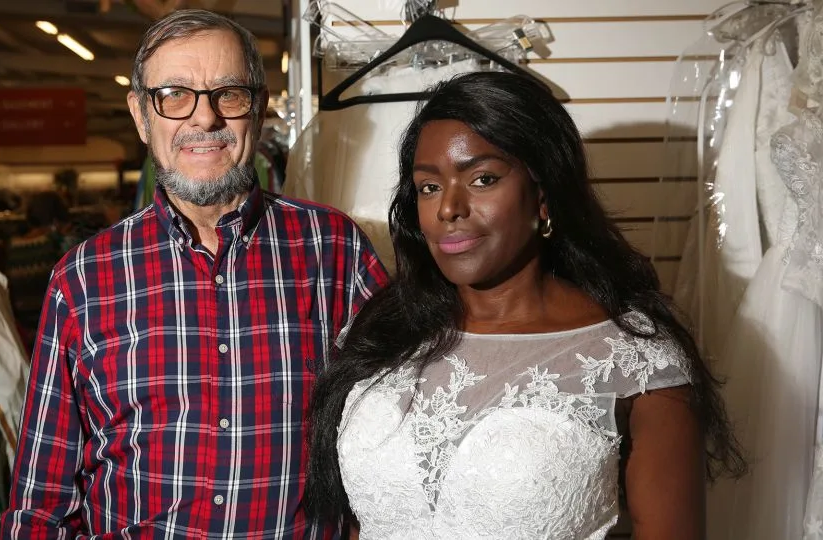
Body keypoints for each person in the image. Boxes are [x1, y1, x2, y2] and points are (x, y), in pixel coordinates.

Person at [304, 71, 747, 539]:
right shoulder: (383, 334)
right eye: (429, 187)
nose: (449, 208)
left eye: (482, 179)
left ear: (543, 194)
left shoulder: (636, 359)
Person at [1, 10, 387, 539]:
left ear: (259, 105)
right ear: (141, 115)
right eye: (175, 95)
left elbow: (396, 447)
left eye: (228, 93)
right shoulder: (83, 278)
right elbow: (41, 502)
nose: (204, 120)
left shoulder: (334, 249)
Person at [5, 190, 71, 335]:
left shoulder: (13, 246)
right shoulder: (55, 244)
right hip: (56, 327)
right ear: (56, 219)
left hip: (25, 328)